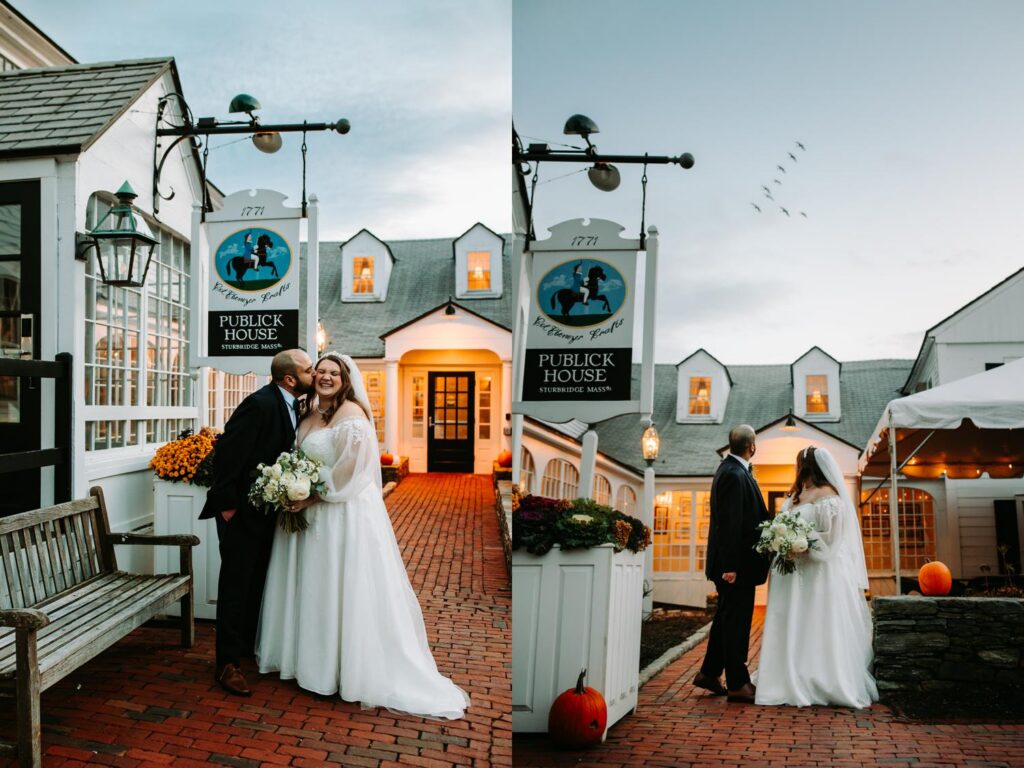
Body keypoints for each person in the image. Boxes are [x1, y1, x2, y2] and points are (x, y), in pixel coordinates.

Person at [256, 351, 469, 719]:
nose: (324, 377)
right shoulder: (309, 413)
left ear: (345, 379)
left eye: (333, 373)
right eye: (319, 371)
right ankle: (308, 661)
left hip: (342, 513)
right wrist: (292, 487)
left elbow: (354, 472)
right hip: (308, 513)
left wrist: (313, 496)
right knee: (312, 586)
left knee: (341, 587)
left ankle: (342, 669)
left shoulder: (353, 416)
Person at [200, 348, 314, 696]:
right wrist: (228, 508)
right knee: (236, 587)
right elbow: (227, 454)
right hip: (242, 513)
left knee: (257, 584)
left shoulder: (295, 405)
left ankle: (245, 649)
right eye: (309, 369)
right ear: (290, 378)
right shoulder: (259, 403)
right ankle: (226, 665)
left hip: (268, 513)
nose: (315, 372)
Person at [755, 446, 878, 708]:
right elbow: (783, 525)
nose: (798, 470)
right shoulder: (795, 496)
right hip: (790, 572)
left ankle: (820, 678)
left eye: (800, 465)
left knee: (816, 620)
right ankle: (787, 675)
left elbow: (832, 540)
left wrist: (801, 541)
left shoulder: (830, 496)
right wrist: (781, 540)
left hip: (820, 571)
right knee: (791, 620)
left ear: (809, 467)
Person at [694, 424, 771, 703]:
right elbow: (729, 525)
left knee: (726, 619)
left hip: (736, 565)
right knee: (737, 623)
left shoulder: (735, 471)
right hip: (734, 567)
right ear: (752, 446)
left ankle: (709, 674)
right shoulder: (733, 474)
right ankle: (738, 683)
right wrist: (730, 567)